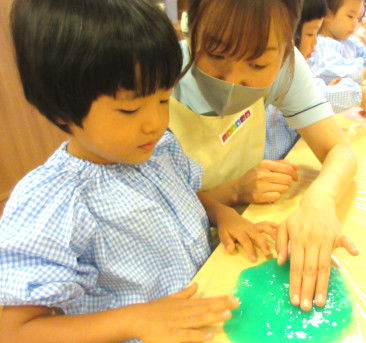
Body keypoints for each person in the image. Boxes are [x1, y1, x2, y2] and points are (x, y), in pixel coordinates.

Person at [0, 0, 280, 341]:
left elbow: (186, 195)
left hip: (207, 314)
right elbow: (15, 330)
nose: (156, 124)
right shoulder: (54, 201)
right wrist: (137, 319)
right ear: (60, 110)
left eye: (163, 100)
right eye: (130, 110)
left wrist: (223, 215)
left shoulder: (160, 150)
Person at [169, 0, 359, 312]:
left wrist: (320, 199)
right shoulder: (159, 69)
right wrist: (230, 191)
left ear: (286, 46)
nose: (232, 80)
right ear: (191, 27)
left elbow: (340, 151)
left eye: (258, 66)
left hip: (235, 232)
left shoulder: (286, 66)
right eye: (215, 55)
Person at [265, 0, 366, 160]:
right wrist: (357, 93)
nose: (315, 43)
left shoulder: (294, 65)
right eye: (310, 34)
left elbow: (311, 93)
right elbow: (313, 97)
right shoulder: (284, 67)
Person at [308, 0, 366, 87]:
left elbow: (365, 52)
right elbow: (335, 73)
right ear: (328, 14)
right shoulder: (321, 45)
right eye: (350, 16)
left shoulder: (347, 41)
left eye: (357, 18)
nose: (355, 24)